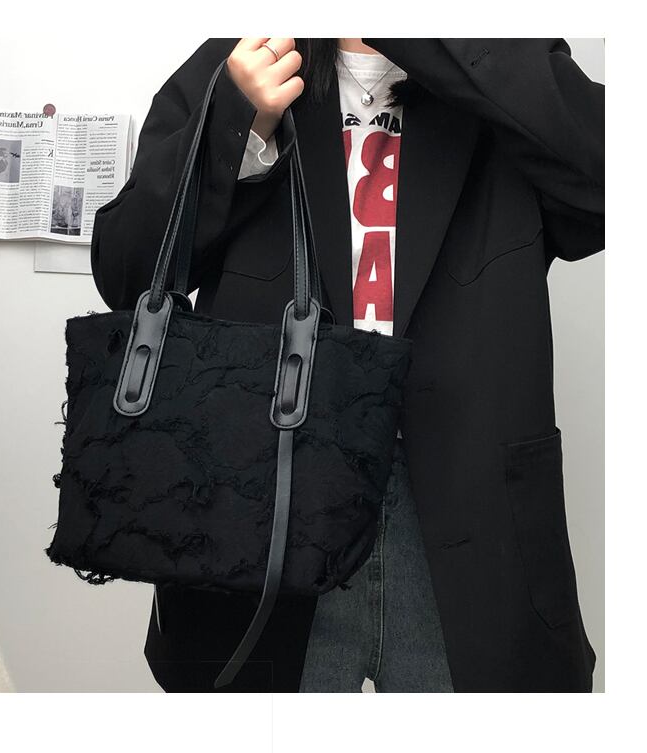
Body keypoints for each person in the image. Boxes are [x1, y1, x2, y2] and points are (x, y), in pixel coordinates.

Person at [91, 37, 604, 692]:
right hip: (268, 507)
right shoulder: (246, 55)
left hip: (469, 512)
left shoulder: (500, 55)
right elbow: (127, 270)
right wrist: (236, 123)